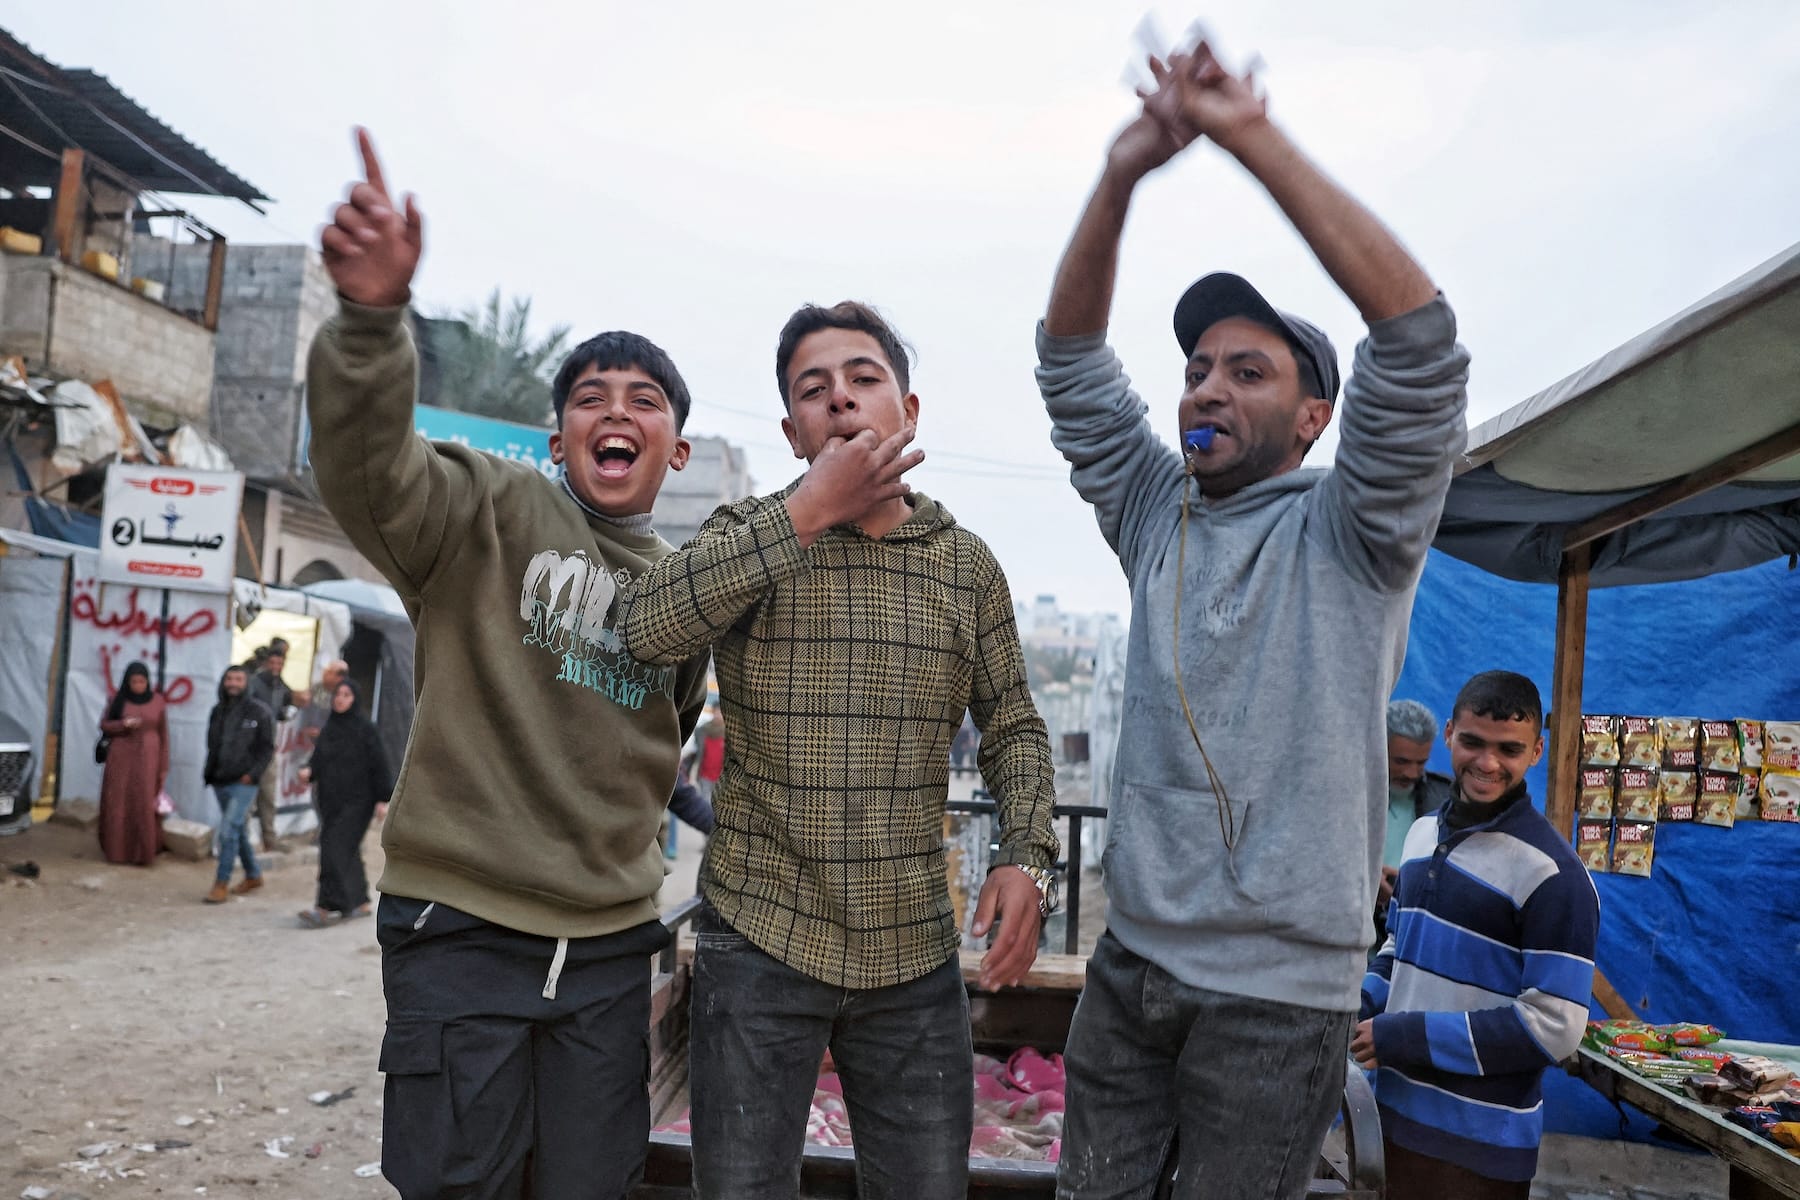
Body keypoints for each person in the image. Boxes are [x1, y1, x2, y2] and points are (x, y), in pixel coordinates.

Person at [1035, 38, 1470, 1200]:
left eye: (1248, 370)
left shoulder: (1356, 533)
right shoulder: (1149, 510)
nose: (1207, 389)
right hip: (1131, 972)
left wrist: (1248, 136)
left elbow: (1420, 345)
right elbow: (1070, 363)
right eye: (1196, 369)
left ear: (1316, 415)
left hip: (1283, 1000)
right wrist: (1124, 173)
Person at [307, 129, 709, 1198]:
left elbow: (666, 743)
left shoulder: (688, 591)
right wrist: (369, 321)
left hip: (612, 954)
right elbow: (364, 466)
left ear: (677, 448)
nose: (615, 411)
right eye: (590, 397)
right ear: (556, 435)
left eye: (644, 400)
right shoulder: (483, 509)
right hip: (463, 935)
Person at [619, 299, 1060, 1200]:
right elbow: (646, 628)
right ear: (792, 431)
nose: (842, 403)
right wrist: (803, 517)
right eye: (814, 392)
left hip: (913, 947)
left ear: (909, 410)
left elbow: (1013, 724)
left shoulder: (965, 564)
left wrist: (1027, 855)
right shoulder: (748, 533)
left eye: (865, 381)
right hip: (757, 933)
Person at [1356, 671, 1599, 1198]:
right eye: (1472, 742)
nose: (1487, 763)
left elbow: (1553, 1026)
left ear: (1536, 751)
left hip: (1479, 1151)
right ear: (1449, 735)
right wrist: (1360, 1005)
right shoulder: (1422, 838)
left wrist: (1399, 1036)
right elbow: (1399, 950)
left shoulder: (1554, 877)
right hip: (1390, 1118)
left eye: (1508, 749)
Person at [296, 679, 393, 927]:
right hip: (331, 801)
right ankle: (359, 901)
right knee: (346, 849)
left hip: (359, 802)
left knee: (333, 848)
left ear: (355, 700)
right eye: (338, 694)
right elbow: (319, 760)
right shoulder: (330, 727)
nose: (340, 699)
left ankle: (325, 906)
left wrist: (384, 799)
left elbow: (379, 764)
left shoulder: (365, 728)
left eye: (346, 695)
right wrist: (309, 771)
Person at [1376, 698, 1452, 949]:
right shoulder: (1345, 795)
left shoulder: (1445, 799)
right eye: (1401, 761)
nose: (1411, 773)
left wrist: (1405, 888)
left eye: (1420, 763)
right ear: (1377, 746)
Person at [201, 665, 276, 904]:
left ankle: (220, 883)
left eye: (238, 679)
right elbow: (212, 745)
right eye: (229, 679)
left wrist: (252, 775)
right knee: (238, 831)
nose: (233, 683)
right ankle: (253, 875)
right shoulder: (217, 711)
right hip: (220, 781)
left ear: (247, 682)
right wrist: (210, 774)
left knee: (227, 832)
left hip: (244, 783)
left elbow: (266, 749)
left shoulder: (259, 712)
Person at [97, 661, 168, 866]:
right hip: (120, 758)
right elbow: (104, 725)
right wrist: (123, 724)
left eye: (141, 681)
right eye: (134, 681)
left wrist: (163, 766)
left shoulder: (157, 701)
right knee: (118, 802)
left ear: (148, 681)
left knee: (144, 801)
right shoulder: (117, 700)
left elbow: (164, 735)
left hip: (148, 757)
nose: (138, 685)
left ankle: (143, 852)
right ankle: (117, 851)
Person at [247, 646, 295, 853]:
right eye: (273, 663)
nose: (276, 667)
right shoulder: (253, 683)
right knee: (248, 798)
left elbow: (281, 711)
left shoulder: (281, 686)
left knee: (268, 796)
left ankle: (269, 839)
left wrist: (287, 711)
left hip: (270, 748)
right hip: (251, 748)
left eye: (279, 663)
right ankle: (246, 841)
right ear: (266, 663)